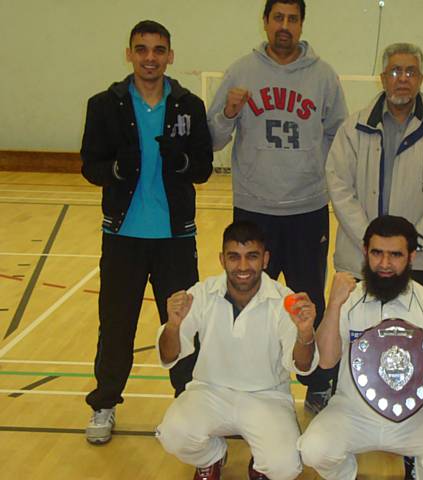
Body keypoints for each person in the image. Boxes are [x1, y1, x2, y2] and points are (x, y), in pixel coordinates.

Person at [207, 0, 348, 413]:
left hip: (306, 209)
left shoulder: (323, 76)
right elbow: (213, 139)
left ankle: (319, 383)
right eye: (278, 18)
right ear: (265, 22)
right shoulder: (240, 72)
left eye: (292, 19)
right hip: (254, 210)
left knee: (309, 302)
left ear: (302, 24)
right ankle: (247, 384)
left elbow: (341, 141)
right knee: (248, 302)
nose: (284, 26)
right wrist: (229, 112)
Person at [80, 20, 213, 445]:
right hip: (123, 236)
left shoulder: (189, 105)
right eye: (142, 49)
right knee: (116, 324)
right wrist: (117, 168)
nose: (150, 57)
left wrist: (178, 162)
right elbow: (90, 165)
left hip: (175, 238)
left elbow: (204, 168)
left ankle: (189, 401)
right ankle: (104, 405)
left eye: (158, 50)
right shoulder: (105, 104)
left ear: (170, 55)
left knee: (182, 323)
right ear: (130, 54)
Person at [298, 215, 423, 480]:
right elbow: (327, 362)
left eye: (395, 255)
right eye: (377, 253)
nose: (385, 264)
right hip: (353, 411)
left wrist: (410, 367)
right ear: (365, 252)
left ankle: (418, 473)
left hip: (416, 414)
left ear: (411, 256)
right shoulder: (348, 301)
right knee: (312, 450)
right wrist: (333, 306)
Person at [156, 221, 318, 480]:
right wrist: (173, 326)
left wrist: (306, 333)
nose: (243, 267)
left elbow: (302, 365)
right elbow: (168, 355)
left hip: (266, 396)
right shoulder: (201, 293)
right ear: (222, 259)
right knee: (172, 435)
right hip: (209, 391)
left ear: (265, 259)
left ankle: (262, 463)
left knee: (285, 467)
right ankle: (212, 457)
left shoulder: (284, 299)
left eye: (251, 257)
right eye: (234, 257)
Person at [326, 42, 423, 293]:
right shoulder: (353, 128)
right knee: (355, 331)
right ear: (382, 78)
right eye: (395, 71)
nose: (403, 78)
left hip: (417, 259)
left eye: (411, 72)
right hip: (359, 258)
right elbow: (339, 187)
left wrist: (414, 243)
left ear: (421, 79)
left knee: (412, 331)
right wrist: (370, 242)